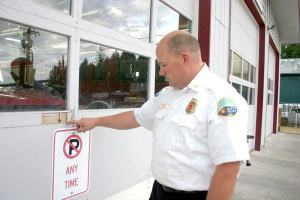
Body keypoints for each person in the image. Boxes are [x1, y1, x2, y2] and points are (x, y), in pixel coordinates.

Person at [69, 30, 250, 200]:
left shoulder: (221, 98)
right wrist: (97, 121)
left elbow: (228, 168)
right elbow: (136, 117)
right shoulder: (168, 94)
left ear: (185, 59)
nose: (161, 72)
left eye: (163, 65)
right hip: (160, 192)